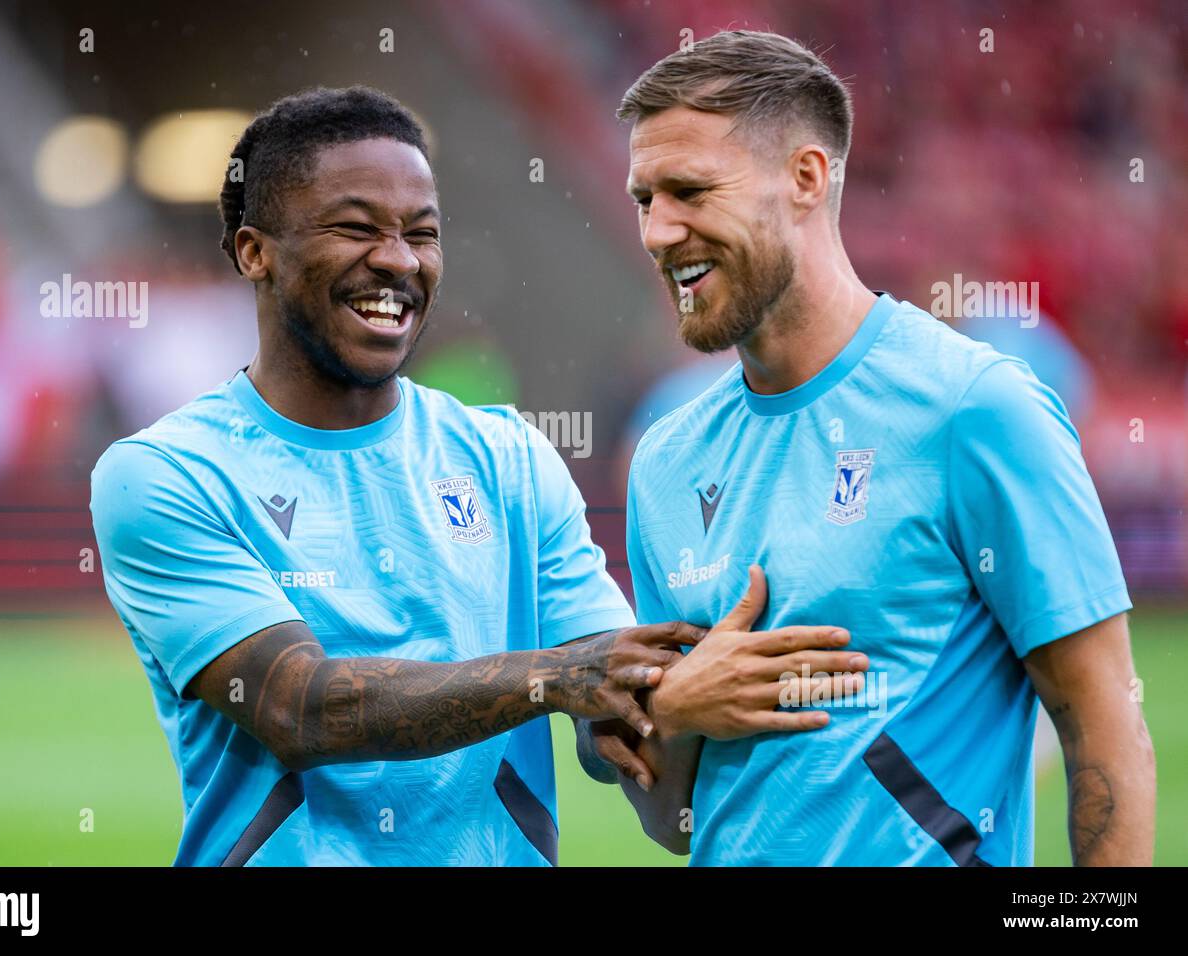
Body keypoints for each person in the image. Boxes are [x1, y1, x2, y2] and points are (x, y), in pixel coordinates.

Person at [89, 86, 859, 866]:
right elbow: (298, 709)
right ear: (255, 251)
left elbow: (610, 719)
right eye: (356, 228)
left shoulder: (509, 459)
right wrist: (558, 679)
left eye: (422, 234)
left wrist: (692, 688)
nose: (397, 260)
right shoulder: (164, 476)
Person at [586, 30, 1155, 866]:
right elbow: (669, 822)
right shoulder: (666, 460)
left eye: (690, 191)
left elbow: (1105, 723)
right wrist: (670, 712)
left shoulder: (974, 408)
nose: (659, 232)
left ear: (806, 178)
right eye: (644, 200)